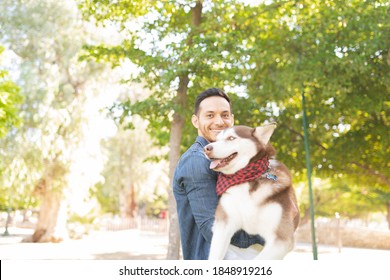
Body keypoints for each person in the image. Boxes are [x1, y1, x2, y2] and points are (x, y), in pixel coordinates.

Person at [173, 88, 264, 260]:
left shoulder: (229, 160)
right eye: (209, 115)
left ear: (232, 119)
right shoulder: (198, 161)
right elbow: (214, 228)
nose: (219, 121)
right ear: (195, 121)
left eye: (225, 115)